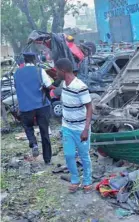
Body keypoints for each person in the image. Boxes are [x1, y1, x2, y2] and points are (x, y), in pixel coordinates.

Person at [55, 58, 93, 193]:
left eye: (57, 70)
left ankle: (87, 180)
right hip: (67, 128)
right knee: (69, 155)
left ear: (63, 71)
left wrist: (86, 129)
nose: (55, 74)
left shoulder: (80, 86)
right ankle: (75, 180)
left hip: (81, 128)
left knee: (84, 155)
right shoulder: (64, 84)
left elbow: (89, 107)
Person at [14, 52, 53, 164]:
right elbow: (48, 85)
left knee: (27, 125)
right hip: (42, 105)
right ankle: (47, 159)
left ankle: (33, 143)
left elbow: (16, 87)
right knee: (44, 131)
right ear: (35, 60)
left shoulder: (17, 73)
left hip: (26, 106)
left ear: (24, 61)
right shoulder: (39, 70)